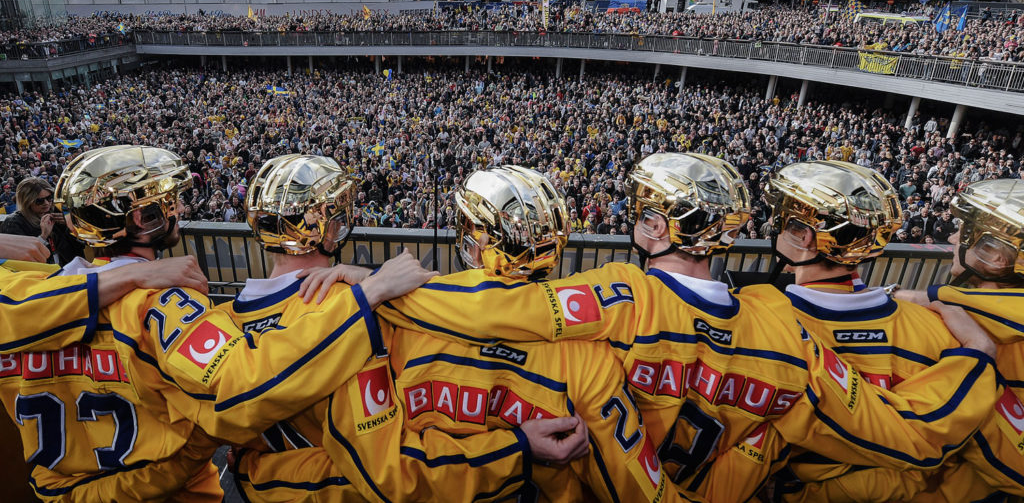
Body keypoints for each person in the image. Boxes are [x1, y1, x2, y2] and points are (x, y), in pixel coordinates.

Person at [333, 153, 997, 501]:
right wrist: (976, 358)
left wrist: (371, 291)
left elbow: (497, 308)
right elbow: (908, 438)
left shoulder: (619, 296)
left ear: (656, 225)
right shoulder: (787, 331)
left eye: (646, 212)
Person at [0, 145, 431, 501]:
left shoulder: (25, 295)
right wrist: (366, 295)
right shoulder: (162, 304)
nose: (181, 208)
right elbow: (238, 390)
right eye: (169, 202)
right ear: (143, 218)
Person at [282, 165, 686, 502]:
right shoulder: (591, 356)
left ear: (476, 245)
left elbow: (382, 469)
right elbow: (632, 483)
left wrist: (373, 285)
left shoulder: (391, 323)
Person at [227, 157, 590, 502]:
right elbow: (391, 474)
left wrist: (255, 475)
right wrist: (516, 450)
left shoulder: (224, 321)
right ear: (325, 226)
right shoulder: (356, 313)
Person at [694, 161, 992, 501]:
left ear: (804, 236)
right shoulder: (939, 326)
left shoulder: (757, 324)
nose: (774, 228)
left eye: (782, 221)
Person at [806, 178, 1024, 501]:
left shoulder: (966, 332)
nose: (951, 237)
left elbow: (909, 443)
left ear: (995, 257)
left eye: (963, 231)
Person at [0, 178, 83, 265]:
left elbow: (78, 248)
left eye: (49, 198)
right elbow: (20, 261)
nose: (47, 203)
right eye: (39, 201)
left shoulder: (57, 213)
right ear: (27, 202)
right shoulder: (13, 223)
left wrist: (71, 226)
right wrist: (43, 236)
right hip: (41, 275)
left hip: (69, 270)